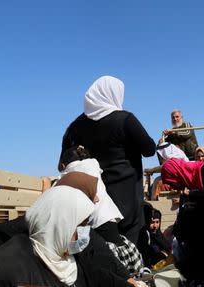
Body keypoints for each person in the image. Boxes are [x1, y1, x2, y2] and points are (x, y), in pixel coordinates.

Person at [59, 75, 156, 245]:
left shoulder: (76, 126)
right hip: (126, 195)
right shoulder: (125, 119)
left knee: (95, 246)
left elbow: (63, 161)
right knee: (129, 245)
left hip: (92, 197)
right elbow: (149, 149)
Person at [58, 145, 145, 276]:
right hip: (110, 220)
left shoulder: (69, 174)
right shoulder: (93, 164)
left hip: (97, 227)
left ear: (64, 165)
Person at [0, 186, 94, 286]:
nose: (85, 232)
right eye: (81, 225)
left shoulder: (68, 260)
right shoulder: (10, 268)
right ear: (60, 226)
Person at [160, 158, 204, 285]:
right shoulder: (192, 180)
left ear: (177, 174)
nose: (174, 186)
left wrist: (192, 195)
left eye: (172, 182)